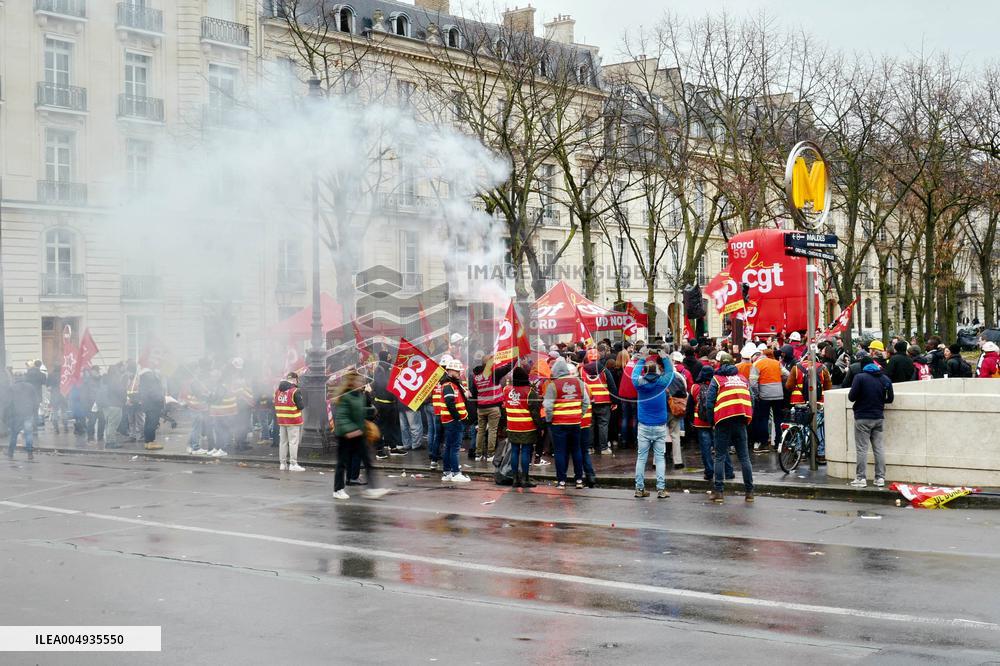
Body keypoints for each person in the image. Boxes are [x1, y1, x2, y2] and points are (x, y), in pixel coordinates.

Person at [705, 353, 754, 504]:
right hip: (740, 419)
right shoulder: (743, 379)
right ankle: (749, 492)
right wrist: (748, 418)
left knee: (720, 456)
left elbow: (709, 402)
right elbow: (752, 398)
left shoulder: (717, 379)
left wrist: (711, 421)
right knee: (744, 458)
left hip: (723, 420)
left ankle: (719, 492)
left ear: (720, 364)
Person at [332, 370, 390, 500]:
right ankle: (338, 489)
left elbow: (359, 411)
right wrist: (351, 430)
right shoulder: (345, 396)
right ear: (352, 383)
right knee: (342, 463)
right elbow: (342, 417)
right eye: (359, 381)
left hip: (359, 433)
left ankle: (372, 488)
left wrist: (370, 411)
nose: (361, 383)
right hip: (346, 436)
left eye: (362, 382)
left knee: (368, 461)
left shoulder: (359, 395)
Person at [630, 350, 675, 499]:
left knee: (641, 458)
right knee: (660, 458)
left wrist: (641, 360)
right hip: (660, 425)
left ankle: (639, 488)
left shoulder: (640, 384)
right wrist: (665, 358)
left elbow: (634, 375)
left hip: (644, 425)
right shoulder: (662, 383)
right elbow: (670, 372)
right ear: (656, 371)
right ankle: (661, 489)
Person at [543, 357, 590, 489]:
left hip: (558, 424)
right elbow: (586, 402)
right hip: (575, 422)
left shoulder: (553, 385)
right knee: (576, 450)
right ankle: (579, 480)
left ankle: (561, 481)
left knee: (560, 452)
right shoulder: (579, 383)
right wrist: (579, 415)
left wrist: (549, 419)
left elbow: (548, 406)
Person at [847, 359, 894, 488]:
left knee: (862, 449)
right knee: (878, 448)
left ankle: (861, 478)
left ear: (864, 367)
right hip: (878, 417)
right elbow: (890, 399)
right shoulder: (884, 378)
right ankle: (880, 478)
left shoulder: (860, 377)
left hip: (862, 417)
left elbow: (851, 397)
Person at [691, 365, 733, 482]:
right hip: (716, 420)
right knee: (721, 448)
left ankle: (709, 472)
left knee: (705, 449)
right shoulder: (717, 386)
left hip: (700, 422)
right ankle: (728, 471)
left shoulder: (695, 387)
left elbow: (690, 405)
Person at [503, 367, 543, 488]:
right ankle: (525, 479)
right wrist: (540, 427)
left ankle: (515, 479)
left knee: (515, 451)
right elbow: (535, 413)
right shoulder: (530, 392)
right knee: (526, 451)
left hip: (512, 426)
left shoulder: (506, 390)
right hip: (527, 427)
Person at [470, 353, 511, 462]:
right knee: (492, 430)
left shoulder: (476, 376)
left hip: (481, 407)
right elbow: (508, 368)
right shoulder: (493, 373)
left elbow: (474, 393)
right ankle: (490, 454)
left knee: (481, 431)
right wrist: (515, 356)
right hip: (493, 407)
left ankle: (478, 454)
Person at [439, 360, 472, 483]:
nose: (459, 373)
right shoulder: (449, 385)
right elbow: (450, 403)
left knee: (449, 447)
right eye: (457, 371)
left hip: (450, 420)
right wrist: (458, 417)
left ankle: (447, 472)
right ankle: (455, 473)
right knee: (454, 447)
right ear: (450, 371)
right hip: (453, 420)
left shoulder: (451, 384)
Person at [749, 348, 785, 451]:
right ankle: (779, 443)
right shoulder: (776, 363)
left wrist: (757, 394)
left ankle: (764, 443)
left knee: (763, 419)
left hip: (764, 395)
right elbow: (786, 375)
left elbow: (753, 383)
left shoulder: (756, 364)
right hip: (778, 394)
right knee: (778, 419)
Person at [581, 348, 615, 456]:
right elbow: (612, 387)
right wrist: (615, 402)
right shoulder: (604, 371)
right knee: (603, 425)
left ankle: (589, 448)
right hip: (604, 401)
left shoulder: (581, 371)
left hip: (588, 402)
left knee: (590, 425)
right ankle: (604, 448)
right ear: (599, 357)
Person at [372, 350, 402, 459]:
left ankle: (393, 447)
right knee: (381, 428)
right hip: (382, 404)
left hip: (391, 403)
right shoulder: (379, 369)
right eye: (388, 357)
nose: (390, 359)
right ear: (384, 358)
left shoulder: (389, 369)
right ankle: (379, 450)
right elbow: (381, 385)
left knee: (391, 427)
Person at [274, 371, 306, 471]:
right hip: (293, 420)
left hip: (282, 420)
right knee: (293, 442)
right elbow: (301, 406)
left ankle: (282, 464)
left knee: (283, 442)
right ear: (295, 380)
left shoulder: (278, 391)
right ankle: (293, 464)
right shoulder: (295, 391)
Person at [6, 375, 40, 461]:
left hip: (16, 414)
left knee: (14, 433)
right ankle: (30, 453)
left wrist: (8, 414)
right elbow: (36, 400)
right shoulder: (30, 386)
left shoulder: (12, 388)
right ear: (23, 378)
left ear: (15, 379)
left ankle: (10, 452)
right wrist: (34, 411)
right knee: (28, 433)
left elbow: (8, 402)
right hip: (28, 412)